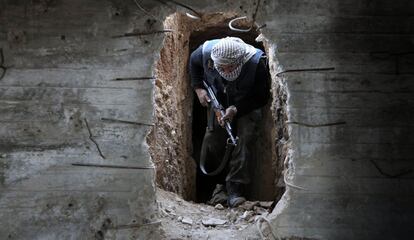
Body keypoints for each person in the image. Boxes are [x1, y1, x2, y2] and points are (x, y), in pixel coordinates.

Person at [189, 36, 270, 208]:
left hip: (247, 104)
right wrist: (198, 88)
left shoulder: (257, 63)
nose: (225, 71)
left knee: (244, 139)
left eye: (230, 67)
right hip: (218, 101)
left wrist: (236, 109)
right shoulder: (206, 52)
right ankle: (217, 188)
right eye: (221, 67)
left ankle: (235, 189)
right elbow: (194, 63)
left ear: (240, 61)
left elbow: (261, 96)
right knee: (213, 140)